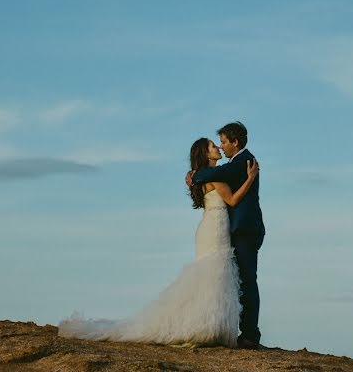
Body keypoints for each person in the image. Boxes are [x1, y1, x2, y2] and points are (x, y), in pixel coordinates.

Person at [58, 137, 259, 346]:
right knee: (214, 274)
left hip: (210, 226)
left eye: (218, 144)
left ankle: (209, 324)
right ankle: (206, 325)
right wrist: (251, 177)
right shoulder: (215, 178)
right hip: (215, 228)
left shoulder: (201, 177)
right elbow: (233, 200)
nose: (217, 147)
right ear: (205, 154)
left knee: (213, 275)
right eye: (212, 146)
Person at [188, 121, 265, 349]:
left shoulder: (243, 161)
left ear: (235, 142)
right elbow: (217, 176)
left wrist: (196, 174)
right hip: (227, 229)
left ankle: (250, 335)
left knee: (246, 281)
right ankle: (240, 331)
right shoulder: (232, 164)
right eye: (217, 144)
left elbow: (218, 175)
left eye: (222, 142)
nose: (221, 147)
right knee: (234, 280)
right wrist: (197, 174)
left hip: (245, 230)